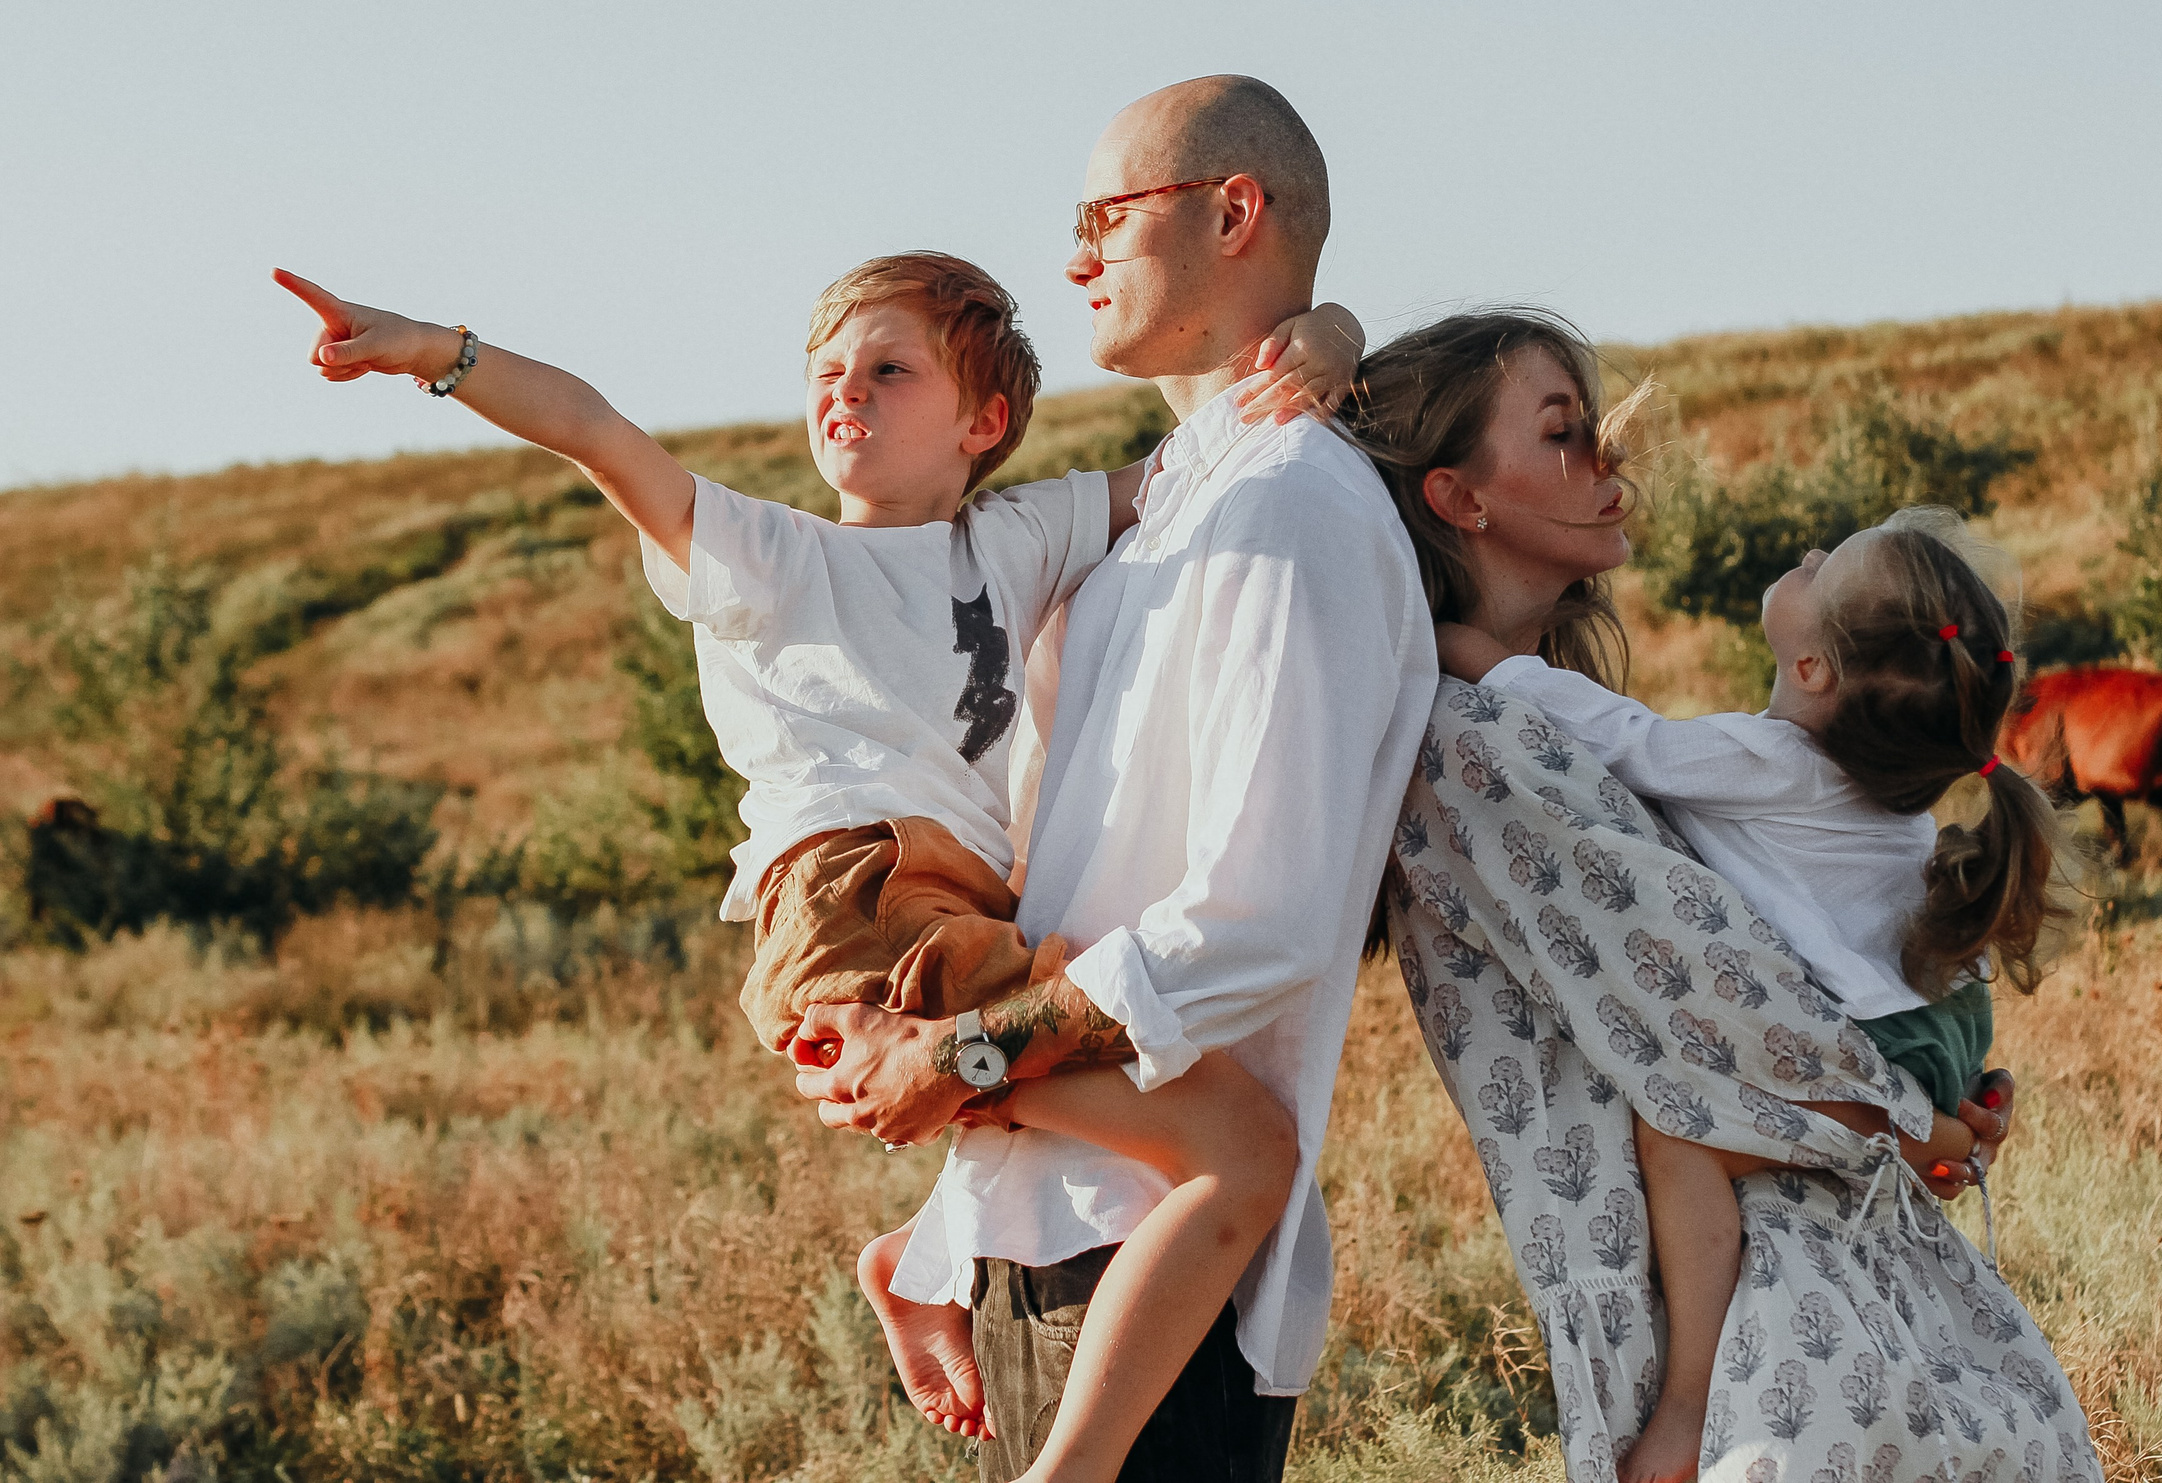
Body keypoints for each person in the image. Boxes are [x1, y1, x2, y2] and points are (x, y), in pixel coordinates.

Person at [271, 248, 1367, 1483]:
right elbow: (590, 429)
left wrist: (1329, 336)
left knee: (1153, 1119)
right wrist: (435, 354)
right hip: (855, 908)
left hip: (957, 905)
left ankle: (918, 1258)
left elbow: (1199, 459)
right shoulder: (766, 555)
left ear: (982, 422)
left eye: (890, 371)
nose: (845, 389)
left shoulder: (1016, 538)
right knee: (1235, 1146)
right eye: (826, 370)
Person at [791, 77, 1438, 1483]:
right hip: (1039, 1222)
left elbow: (1258, 922)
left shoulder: (1291, 508)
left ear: (1233, 211)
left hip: (1156, 1252)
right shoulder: (1165, 518)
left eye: (1104, 216)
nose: (1074, 254)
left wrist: (963, 1058)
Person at [1351, 311, 2099, 1483]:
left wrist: (1917, 1128)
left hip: (1816, 1310)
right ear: (1459, 498)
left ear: (1815, 668)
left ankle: (1687, 1408)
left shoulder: (1703, 751)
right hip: (1862, 1198)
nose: (1610, 459)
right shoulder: (1477, 747)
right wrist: (1931, 1125)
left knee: (1680, 1132)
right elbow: (1720, 1012)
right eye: (1564, 432)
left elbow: (1714, 1033)